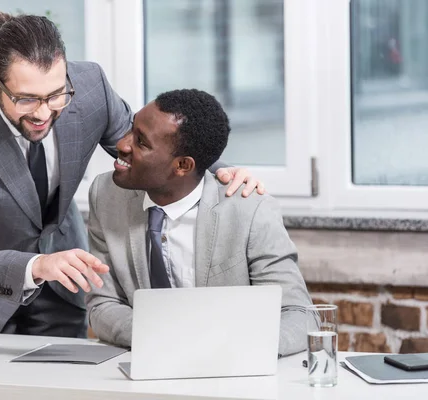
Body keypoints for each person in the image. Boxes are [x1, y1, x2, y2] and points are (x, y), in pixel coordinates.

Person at [0, 12, 265, 338]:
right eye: (27, 99)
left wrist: (218, 168)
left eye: (56, 95)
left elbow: (146, 151)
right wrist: (37, 265)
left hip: (63, 276)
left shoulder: (89, 87)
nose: (44, 113)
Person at [85, 89, 312, 356]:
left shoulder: (250, 210)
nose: (122, 145)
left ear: (182, 166)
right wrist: (169, 339)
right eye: (131, 130)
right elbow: (103, 304)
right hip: (146, 364)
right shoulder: (106, 194)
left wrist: (230, 349)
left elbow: (299, 315)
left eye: (141, 142)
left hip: (231, 372)